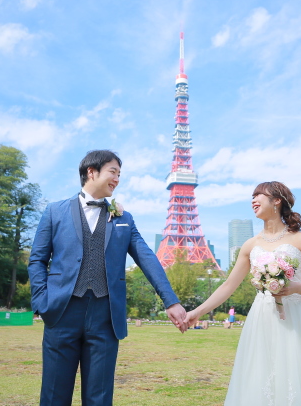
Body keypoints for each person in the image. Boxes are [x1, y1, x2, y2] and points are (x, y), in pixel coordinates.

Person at [28, 150, 188, 406]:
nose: (117, 179)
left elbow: (147, 258)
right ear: (92, 172)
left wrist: (171, 300)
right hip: (60, 312)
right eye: (113, 172)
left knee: (100, 398)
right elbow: (37, 259)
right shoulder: (54, 212)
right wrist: (41, 300)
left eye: (119, 174)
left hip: (105, 317)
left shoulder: (124, 218)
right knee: (54, 395)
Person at [185, 181, 301, 405]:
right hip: (262, 317)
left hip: (296, 318)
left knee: (297, 373)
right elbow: (228, 286)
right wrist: (198, 311)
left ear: (277, 200)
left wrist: (295, 288)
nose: (253, 200)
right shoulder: (250, 245)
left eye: (258, 195)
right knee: (260, 376)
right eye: (252, 196)